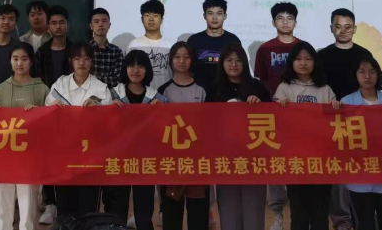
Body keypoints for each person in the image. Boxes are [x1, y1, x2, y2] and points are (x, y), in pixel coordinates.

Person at [274, 42, 340, 230]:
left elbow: (334, 123)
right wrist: (278, 107)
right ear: (291, 62)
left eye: (308, 59)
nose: (303, 63)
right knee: (299, 213)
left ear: (315, 62)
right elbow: (275, 121)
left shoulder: (325, 89)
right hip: (295, 160)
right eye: (298, 59)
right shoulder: (284, 88)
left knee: (320, 212)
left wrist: (336, 108)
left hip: (322, 160)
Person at [46, 42, 112, 223]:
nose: (81, 62)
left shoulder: (101, 88)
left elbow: (109, 122)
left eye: (86, 58)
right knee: (65, 206)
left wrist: (98, 108)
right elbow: (47, 111)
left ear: (91, 62)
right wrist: (53, 107)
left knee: (88, 207)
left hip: (91, 157)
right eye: (77, 58)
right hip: (64, 155)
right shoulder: (60, 84)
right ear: (71, 61)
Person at [317, 8, 370, 230]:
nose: (343, 31)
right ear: (331, 29)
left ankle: (363, 220)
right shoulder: (322, 56)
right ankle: (341, 222)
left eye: (348, 27)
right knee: (337, 175)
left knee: (360, 171)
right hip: (332, 122)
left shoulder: (364, 55)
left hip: (360, 122)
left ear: (355, 29)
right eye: (338, 26)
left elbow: (374, 86)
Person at [206, 42, 269, 230]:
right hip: (225, 158)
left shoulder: (257, 87)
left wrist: (260, 105)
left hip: (254, 158)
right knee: (229, 211)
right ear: (222, 63)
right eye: (229, 60)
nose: (233, 64)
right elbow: (206, 123)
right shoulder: (214, 89)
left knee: (254, 211)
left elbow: (273, 118)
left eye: (238, 60)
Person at [254, 2, 302, 230]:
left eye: (289, 18)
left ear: (295, 22)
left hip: (299, 116)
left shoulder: (303, 48)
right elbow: (261, 81)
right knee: (275, 166)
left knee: (297, 163)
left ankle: (299, 213)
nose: (285, 22)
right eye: (280, 18)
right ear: (273, 22)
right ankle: (277, 214)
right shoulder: (265, 49)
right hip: (272, 115)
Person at [105, 50, 165, 230]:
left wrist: (162, 112)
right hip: (119, 158)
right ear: (125, 68)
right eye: (131, 66)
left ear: (147, 70)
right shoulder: (112, 95)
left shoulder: (157, 98)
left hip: (145, 159)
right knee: (117, 205)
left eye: (141, 66)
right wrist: (108, 110)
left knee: (144, 207)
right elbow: (102, 126)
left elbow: (165, 130)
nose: (136, 70)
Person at [0, 43, 50, 230]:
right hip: (5, 150)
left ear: (31, 62)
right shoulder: (0, 89)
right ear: (10, 61)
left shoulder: (42, 89)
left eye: (24, 59)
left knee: (28, 198)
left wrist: (39, 113)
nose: (19, 63)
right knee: (4, 196)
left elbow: (49, 122)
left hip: (30, 152)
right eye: (15, 59)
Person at [341, 57, 382, 230]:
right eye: (362, 72)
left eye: (372, 72)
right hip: (359, 177)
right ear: (355, 75)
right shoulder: (346, 103)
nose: (367, 76)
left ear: (378, 75)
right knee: (363, 225)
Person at [157, 42, 207, 230]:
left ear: (192, 60)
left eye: (186, 57)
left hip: (197, 160)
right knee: (171, 216)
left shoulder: (202, 89)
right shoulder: (163, 90)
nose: (182, 61)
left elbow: (210, 124)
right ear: (171, 60)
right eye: (177, 57)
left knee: (198, 216)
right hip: (171, 161)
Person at [36, 4, 73, 225]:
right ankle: (50, 203)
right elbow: (38, 81)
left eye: (62, 22)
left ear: (67, 25)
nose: (58, 27)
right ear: (48, 27)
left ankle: (68, 204)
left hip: (73, 112)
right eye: (54, 23)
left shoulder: (76, 50)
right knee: (49, 157)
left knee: (70, 156)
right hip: (48, 111)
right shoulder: (42, 52)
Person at [186, 0, 241, 93]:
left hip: (227, 92)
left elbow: (239, 68)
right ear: (204, 16)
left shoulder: (233, 40)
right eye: (210, 13)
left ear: (225, 16)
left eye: (219, 13)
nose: (214, 18)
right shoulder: (194, 40)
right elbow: (188, 69)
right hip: (198, 92)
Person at [128, 0, 173, 91]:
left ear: (162, 19)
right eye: (147, 15)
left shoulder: (171, 45)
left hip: (167, 93)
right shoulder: (134, 45)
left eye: (155, 15)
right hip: (142, 94)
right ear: (142, 19)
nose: (151, 19)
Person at [90, 7, 123, 88]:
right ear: (91, 26)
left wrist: (93, 81)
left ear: (109, 25)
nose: (100, 24)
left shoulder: (117, 51)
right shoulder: (85, 49)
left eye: (104, 21)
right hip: (86, 93)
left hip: (110, 93)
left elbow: (117, 79)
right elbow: (81, 78)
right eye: (96, 21)